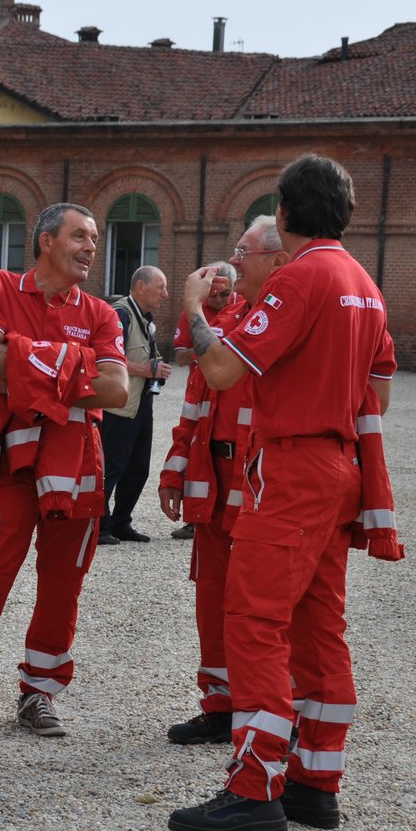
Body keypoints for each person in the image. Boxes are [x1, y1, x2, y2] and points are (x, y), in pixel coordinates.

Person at [168, 155, 397, 831]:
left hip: (293, 466)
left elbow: (219, 368)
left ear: (286, 213)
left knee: (255, 618)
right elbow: (379, 393)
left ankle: (255, 785)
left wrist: (190, 305)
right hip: (338, 464)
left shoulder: (300, 278)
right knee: (319, 625)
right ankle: (313, 782)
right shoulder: (364, 283)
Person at [0, 202, 129, 744]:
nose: (91, 247)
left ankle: (40, 692)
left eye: (95, 238)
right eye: (80, 236)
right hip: (13, 461)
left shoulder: (103, 314)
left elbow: (119, 390)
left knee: (63, 585)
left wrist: (24, 366)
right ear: (46, 242)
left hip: (78, 465)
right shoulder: (0, 285)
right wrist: (73, 365)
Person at [157, 219, 286, 745]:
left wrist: (193, 303)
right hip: (212, 471)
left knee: (255, 601)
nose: (233, 263)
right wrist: (175, 464)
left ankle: (258, 710)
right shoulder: (233, 314)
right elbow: (196, 390)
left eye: (243, 252)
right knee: (211, 596)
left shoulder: (279, 319)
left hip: (258, 479)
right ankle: (219, 706)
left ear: (276, 260)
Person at [97, 266, 173, 544]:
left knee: (138, 468)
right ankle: (98, 526)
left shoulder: (143, 317)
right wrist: (147, 370)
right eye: (160, 287)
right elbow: (105, 359)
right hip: (118, 406)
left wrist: (155, 368)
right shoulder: (120, 315)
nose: (166, 294)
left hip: (140, 405)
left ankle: (120, 522)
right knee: (111, 467)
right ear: (140, 286)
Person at [169, 262, 237, 540]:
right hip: (199, 391)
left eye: (226, 294)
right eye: (215, 295)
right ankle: (195, 515)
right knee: (195, 448)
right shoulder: (193, 311)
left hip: (229, 394)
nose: (220, 301)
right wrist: (211, 353)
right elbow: (181, 355)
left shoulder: (244, 309)